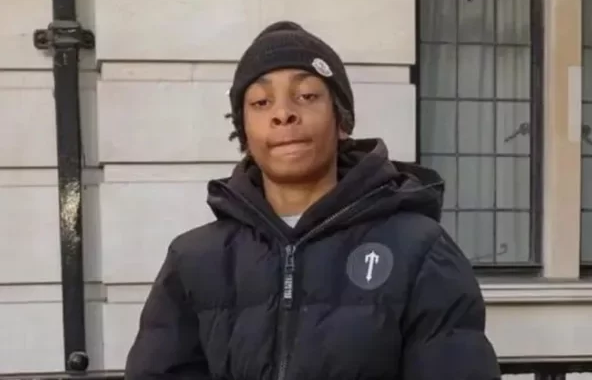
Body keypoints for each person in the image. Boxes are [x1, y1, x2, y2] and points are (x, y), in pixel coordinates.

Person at [124, 21, 501, 380]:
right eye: (261, 102)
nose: (283, 114)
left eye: (306, 96)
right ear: (244, 133)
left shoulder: (420, 250)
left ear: (341, 120)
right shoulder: (193, 260)